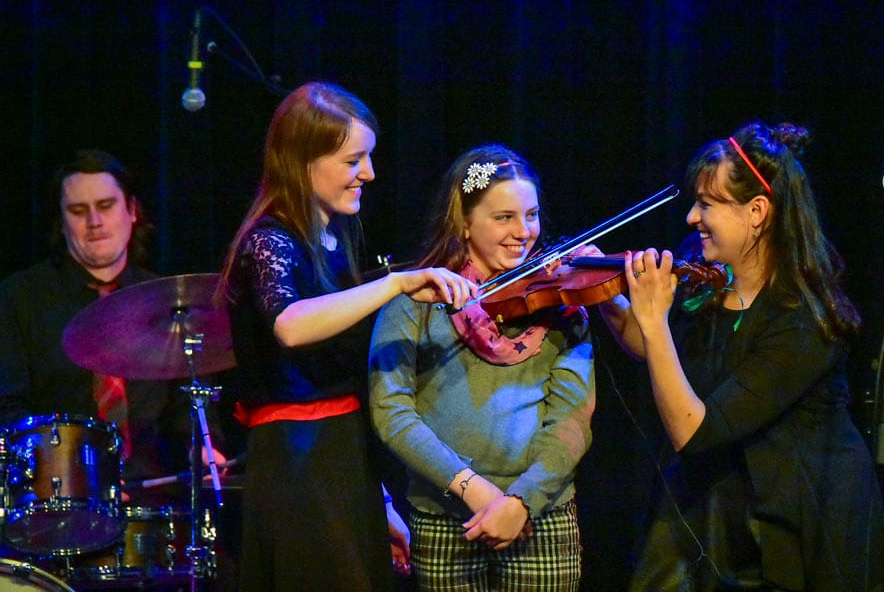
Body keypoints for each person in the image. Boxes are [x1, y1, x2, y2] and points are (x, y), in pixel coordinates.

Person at [215, 81, 479, 592]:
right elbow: (290, 325)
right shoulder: (270, 239)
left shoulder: (337, 236)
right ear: (303, 160)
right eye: (354, 160)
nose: (370, 174)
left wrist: (379, 501)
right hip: (296, 460)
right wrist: (394, 285)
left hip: (342, 454)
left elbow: (345, 387)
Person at [598, 122, 884, 590]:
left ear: (756, 212)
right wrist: (606, 298)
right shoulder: (709, 273)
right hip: (719, 508)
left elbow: (694, 432)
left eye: (707, 204)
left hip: (795, 526)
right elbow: (658, 353)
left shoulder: (802, 323)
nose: (691, 217)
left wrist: (653, 320)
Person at [368, 144, 596, 591]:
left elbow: (573, 419)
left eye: (531, 216)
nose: (523, 232)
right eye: (504, 217)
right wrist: (472, 487)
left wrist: (522, 501)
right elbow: (391, 412)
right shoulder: (415, 299)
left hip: (540, 517)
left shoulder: (562, 300)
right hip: (443, 518)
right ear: (465, 222)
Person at [0, 150, 229, 561]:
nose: (94, 222)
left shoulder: (174, 300)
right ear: (62, 220)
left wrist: (204, 449)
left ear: (132, 210)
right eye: (78, 210)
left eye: (106, 206)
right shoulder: (19, 300)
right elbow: (7, 410)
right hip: (59, 516)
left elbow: (188, 409)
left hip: (156, 509)